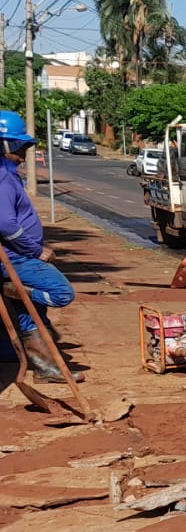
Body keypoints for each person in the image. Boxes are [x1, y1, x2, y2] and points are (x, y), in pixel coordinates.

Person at [0, 110, 78, 383]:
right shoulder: (1, 178)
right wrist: (35, 250)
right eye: (20, 147)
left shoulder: (8, 176)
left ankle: (44, 369)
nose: (24, 154)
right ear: (4, 145)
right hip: (16, 257)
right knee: (61, 293)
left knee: (30, 317)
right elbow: (6, 224)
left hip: (17, 256)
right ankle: (14, 291)